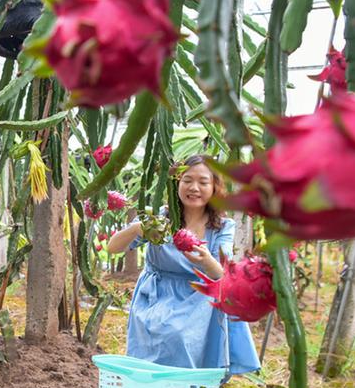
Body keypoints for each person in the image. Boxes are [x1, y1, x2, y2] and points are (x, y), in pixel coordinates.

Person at [106, 155, 260, 376]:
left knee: (178, 335)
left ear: (214, 187)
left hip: (198, 296)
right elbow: (112, 248)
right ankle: (150, 384)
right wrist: (136, 229)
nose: (194, 188)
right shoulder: (158, 219)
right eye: (187, 180)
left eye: (203, 182)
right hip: (156, 295)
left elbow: (223, 276)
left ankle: (188, 386)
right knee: (154, 347)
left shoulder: (223, 226)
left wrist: (206, 259)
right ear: (176, 183)